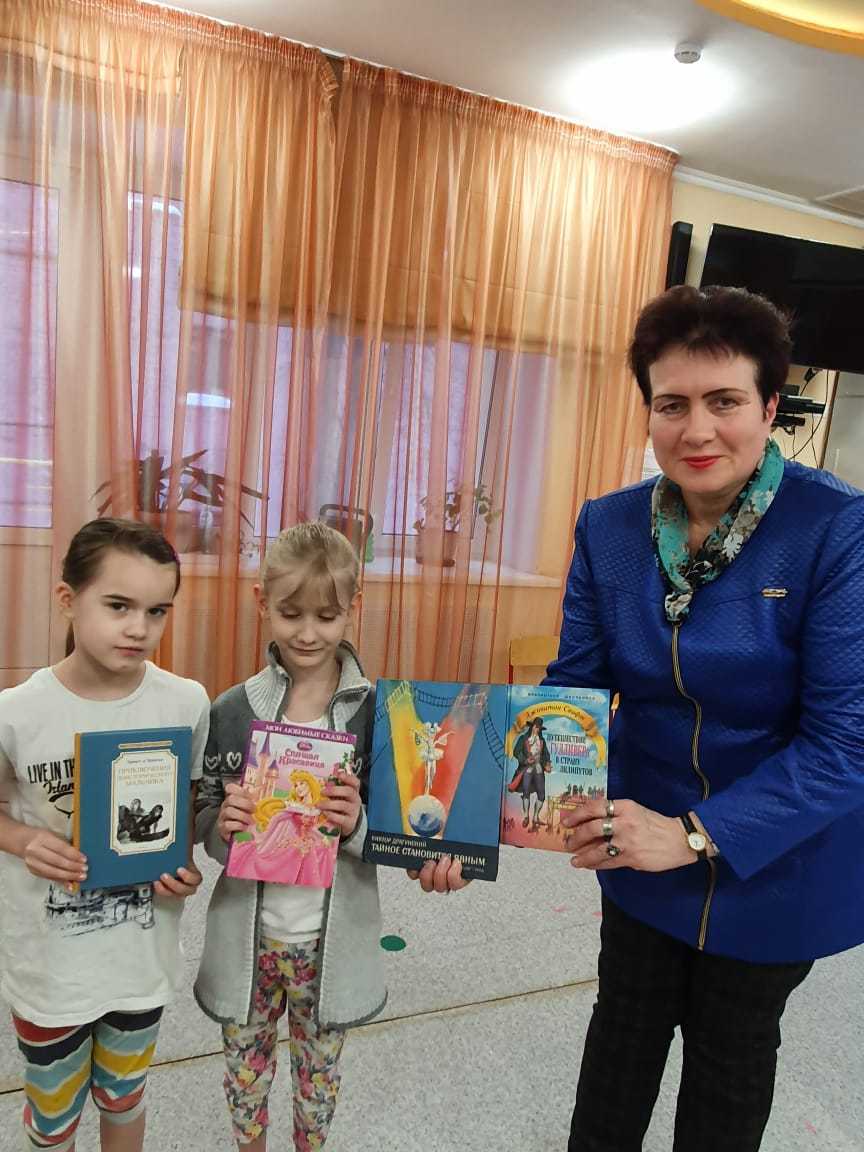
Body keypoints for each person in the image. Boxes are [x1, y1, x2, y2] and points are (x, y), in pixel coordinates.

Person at [546, 284, 864, 1152]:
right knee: (622, 1034)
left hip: (776, 856)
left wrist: (694, 834)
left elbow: (846, 745)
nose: (697, 431)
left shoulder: (836, 529)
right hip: (638, 837)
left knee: (731, 1054)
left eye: (724, 401)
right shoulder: (610, 527)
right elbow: (573, 692)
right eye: (672, 404)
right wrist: (475, 821)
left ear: (769, 406)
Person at [194, 522, 464, 1151]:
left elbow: (403, 832)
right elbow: (205, 812)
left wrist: (357, 824)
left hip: (330, 945)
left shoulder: (381, 716)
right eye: (290, 614)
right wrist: (222, 828)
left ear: (354, 608)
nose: (308, 633)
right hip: (249, 941)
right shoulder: (232, 710)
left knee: (317, 1086)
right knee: (244, 1080)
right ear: (262, 602)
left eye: (326, 615)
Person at [0, 517, 209, 1152]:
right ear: (68, 600)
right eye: (118, 605)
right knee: (53, 1117)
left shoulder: (186, 703)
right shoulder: (16, 713)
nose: (139, 628)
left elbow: (184, 809)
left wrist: (184, 867)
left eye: (157, 610)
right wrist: (21, 840)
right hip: (50, 971)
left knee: (124, 1097)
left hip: (139, 962)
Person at [512, 717, 551, 830]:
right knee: (526, 793)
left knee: (541, 795)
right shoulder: (523, 738)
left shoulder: (542, 741)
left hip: (538, 768)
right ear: (532, 727)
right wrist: (525, 760)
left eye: (539, 728)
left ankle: (535, 817)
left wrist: (547, 764)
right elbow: (516, 752)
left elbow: (546, 755)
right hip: (527, 769)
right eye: (535, 727)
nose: (536, 730)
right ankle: (526, 816)